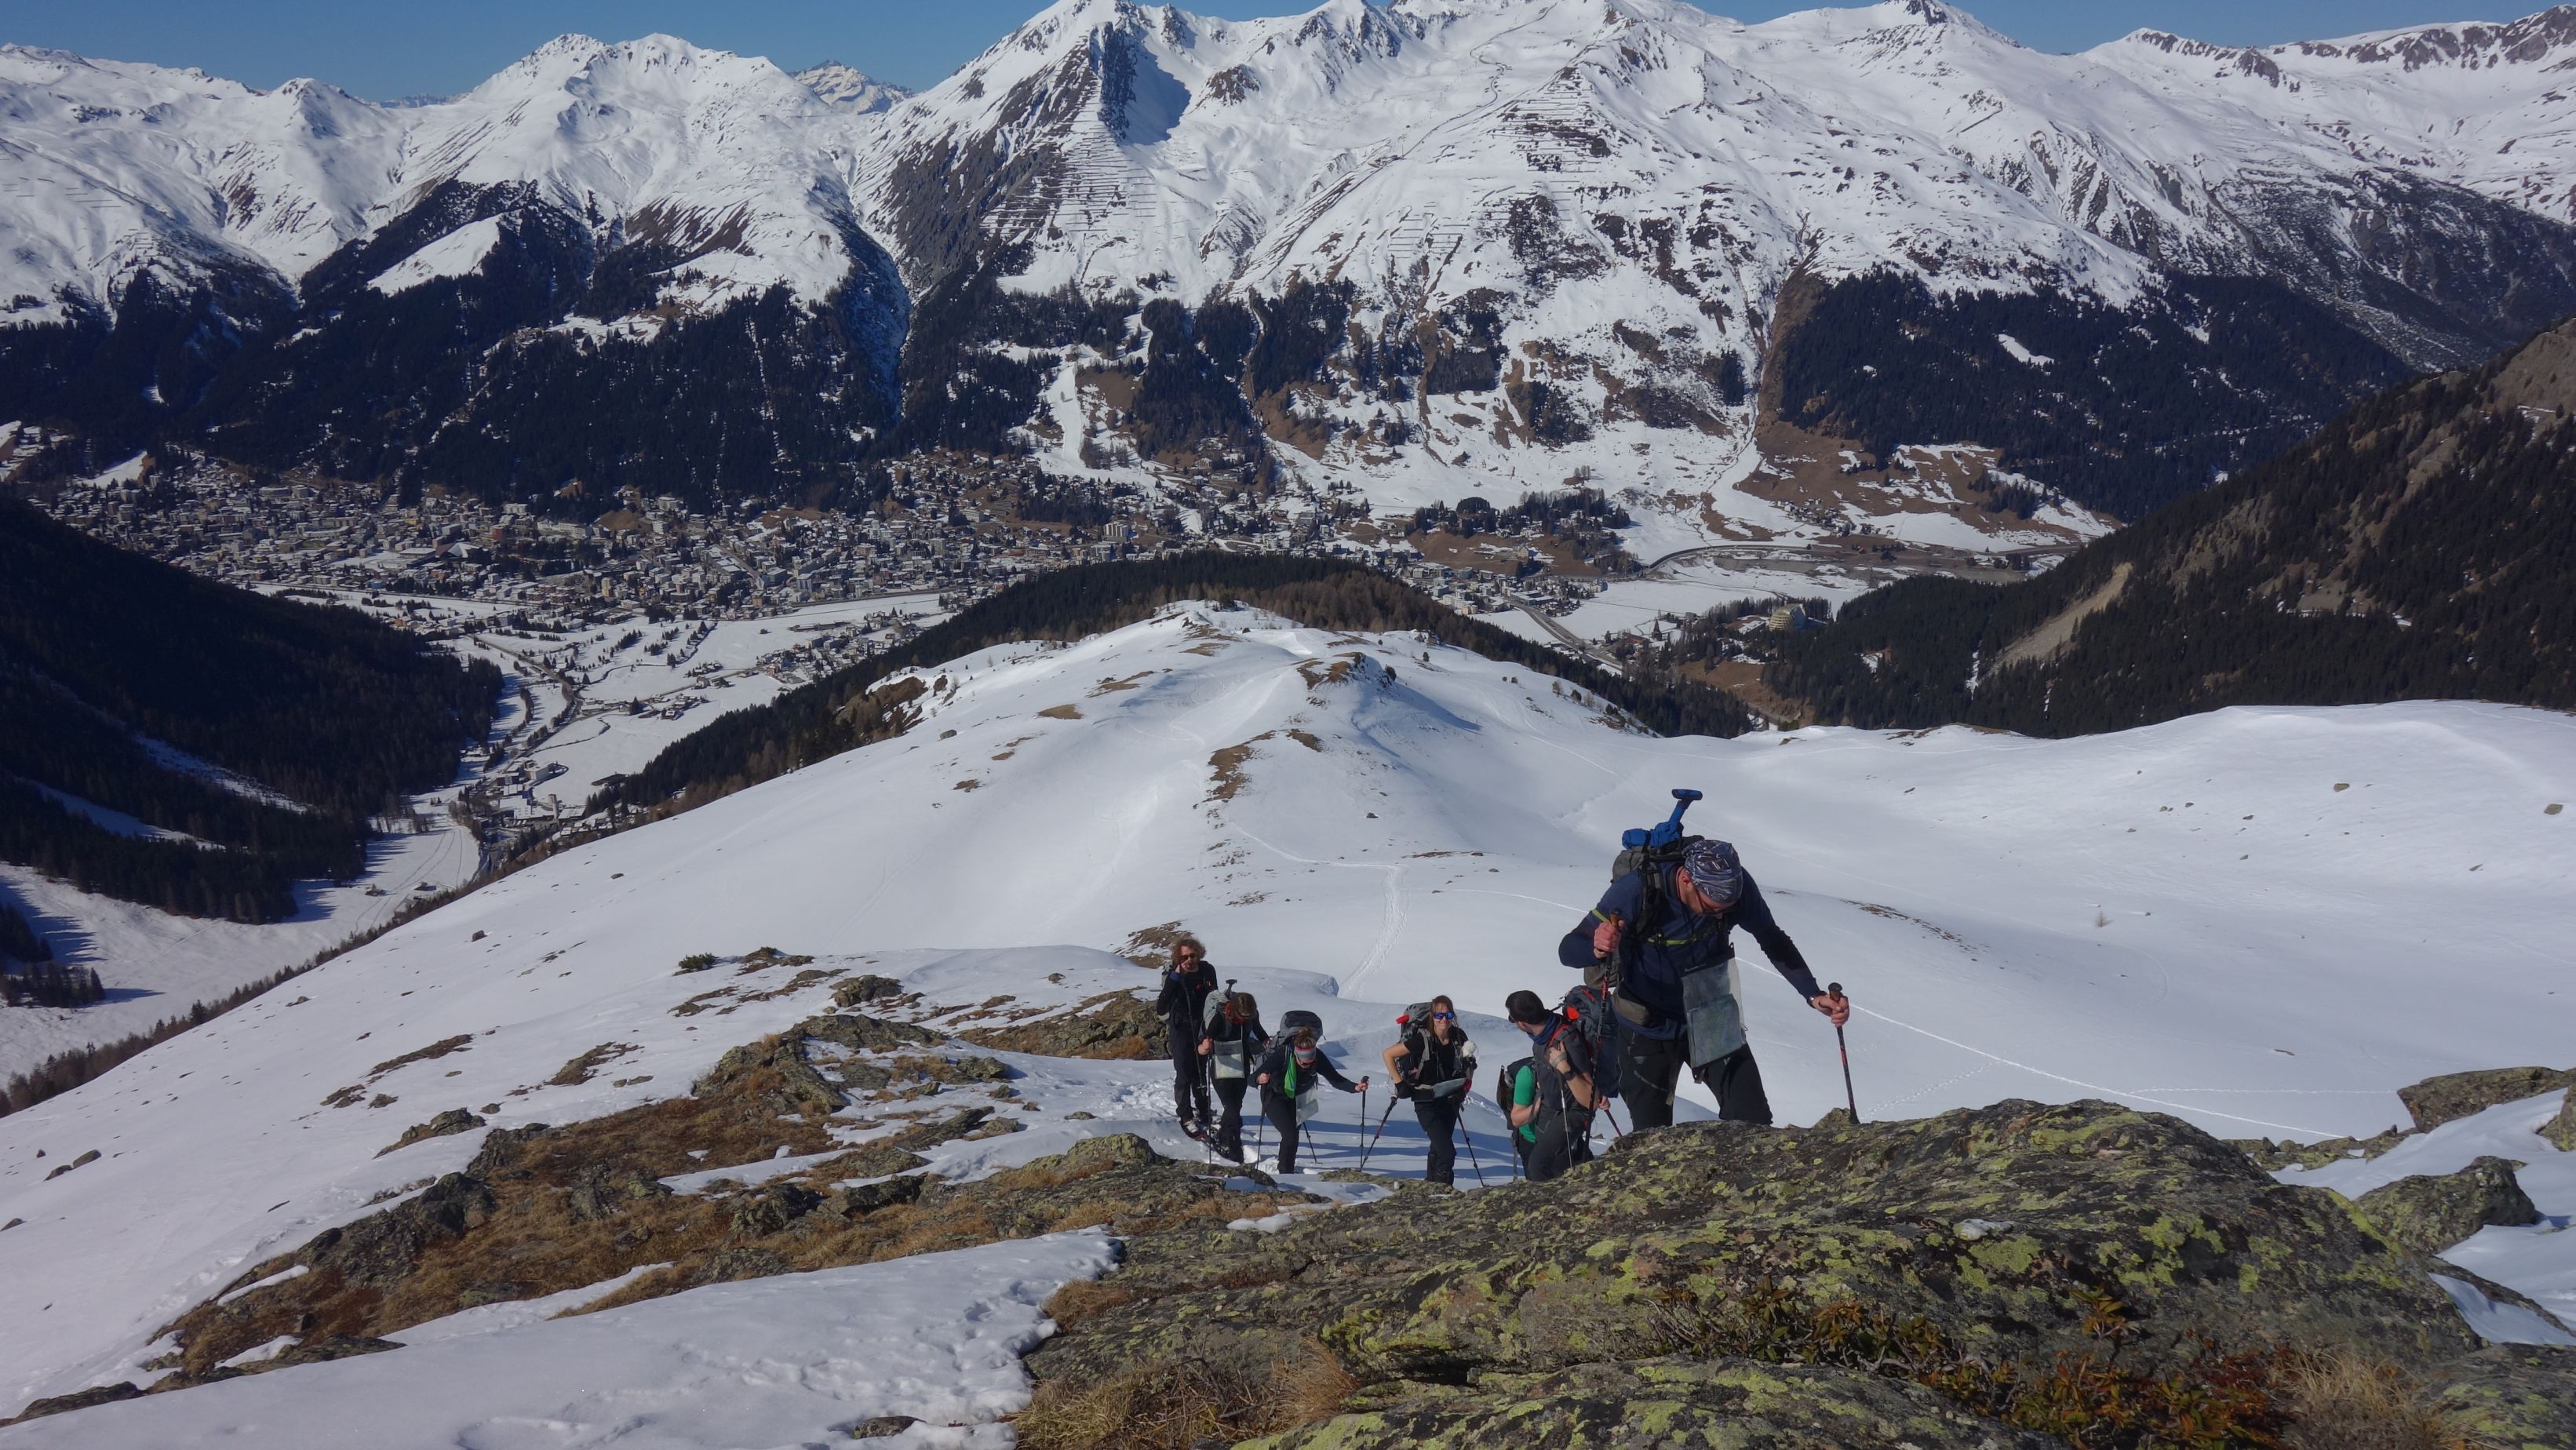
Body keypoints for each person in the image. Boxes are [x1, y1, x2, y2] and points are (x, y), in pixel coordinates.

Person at [1558, 837, 1847, 1129]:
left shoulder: (1735, 888)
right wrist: (1596, 947)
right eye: (1711, 909)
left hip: (1711, 1015)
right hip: (1646, 1025)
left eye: (1726, 909)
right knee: (1652, 1134)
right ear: (1686, 880)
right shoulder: (1637, 890)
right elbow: (1568, 950)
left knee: (1753, 1119)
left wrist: (1813, 994)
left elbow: (1772, 938)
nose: (1720, 915)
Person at [1381, 995, 1476, 1186]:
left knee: (1438, 1148)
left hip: (1450, 1101)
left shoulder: (1459, 1037)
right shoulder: (1422, 1039)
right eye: (1439, 1015)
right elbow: (1388, 1054)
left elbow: (1469, 1065)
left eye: (1448, 1015)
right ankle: (1443, 1191)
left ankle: (1430, 1187)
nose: (1444, 1019)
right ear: (1432, 1016)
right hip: (1426, 1102)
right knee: (1447, 1152)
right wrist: (1400, 1085)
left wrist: (1463, 1090)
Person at [1503, 989, 1597, 1182]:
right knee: (1550, 1165)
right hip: (1551, 1110)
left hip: (1572, 1112)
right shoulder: (1542, 1038)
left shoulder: (1567, 1040)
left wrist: (1565, 1069)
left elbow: (1591, 1100)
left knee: (1538, 1165)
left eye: (1512, 1019)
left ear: (1522, 1023)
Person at [1253, 1026, 1366, 1175]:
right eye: (1304, 1063)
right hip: (1274, 1096)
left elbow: (1335, 1079)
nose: (1308, 1066)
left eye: (1311, 1062)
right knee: (1290, 1134)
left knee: (1293, 1135)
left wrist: (1355, 1087)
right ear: (1296, 1055)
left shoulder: (1317, 1057)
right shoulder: (1283, 1054)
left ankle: (1287, 1170)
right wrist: (1259, 1079)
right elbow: (1251, 1079)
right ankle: (1285, 1173)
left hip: (1298, 1098)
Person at [1155, 938, 1218, 1137]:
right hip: (1180, 1029)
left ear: (1199, 954)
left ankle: (1204, 1110)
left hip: (1202, 1028)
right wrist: (1175, 978)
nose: (1189, 960)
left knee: (1201, 1071)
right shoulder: (1174, 975)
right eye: (1184, 957)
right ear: (1178, 958)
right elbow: (1161, 1006)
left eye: (1193, 955)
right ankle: (1185, 1116)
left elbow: (1214, 997)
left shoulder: (1207, 970)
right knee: (1184, 1073)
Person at [1198, 989, 1270, 1163]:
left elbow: (1258, 1030)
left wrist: (1266, 1041)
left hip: (1242, 1065)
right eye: (1243, 1016)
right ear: (1234, 1010)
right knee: (1231, 1107)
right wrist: (1205, 1046)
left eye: (1249, 1016)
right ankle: (1234, 1147)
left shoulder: (1251, 1016)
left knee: (1236, 1104)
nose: (1245, 1019)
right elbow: (1205, 1042)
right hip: (1221, 1067)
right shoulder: (1220, 1017)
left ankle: (1224, 1134)